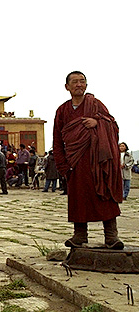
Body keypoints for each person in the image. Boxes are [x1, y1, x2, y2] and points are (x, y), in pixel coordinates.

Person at [53, 71, 123, 249]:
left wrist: (98, 123)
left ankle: (111, 236)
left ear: (86, 85)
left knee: (104, 194)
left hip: (98, 161)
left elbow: (112, 125)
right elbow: (57, 139)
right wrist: (62, 165)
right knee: (79, 198)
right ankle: (79, 235)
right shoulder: (62, 110)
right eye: (74, 82)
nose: (79, 85)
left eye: (82, 81)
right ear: (67, 87)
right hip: (75, 163)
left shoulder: (96, 105)